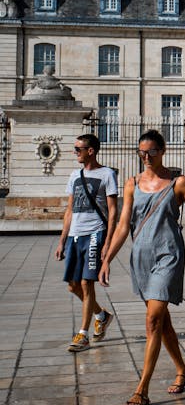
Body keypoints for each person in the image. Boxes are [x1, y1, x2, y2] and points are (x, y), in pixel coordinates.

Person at [99, 129, 185, 405]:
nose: (145, 157)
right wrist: (107, 259)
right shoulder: (131, 184)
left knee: (152, 321)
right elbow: (124, 225)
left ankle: (142, 390)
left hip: (168, 255)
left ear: (163, 151)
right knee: (162, 322)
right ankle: (182, 370)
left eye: (151, 151)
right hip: (141, 257)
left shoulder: (179, 183)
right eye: (141, 152)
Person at [56, 134, 117, 353]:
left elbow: (112, 211)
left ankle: (83, 335)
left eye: (78, 149)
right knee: (72, 285)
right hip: (74, 235)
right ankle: (101, 315)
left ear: (90, 151)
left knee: (85, 283)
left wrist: (108, 243)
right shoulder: (74, 176)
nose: (75, 152)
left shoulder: (107, 174)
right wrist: (62, 240)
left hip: (94, 233)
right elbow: (70, 209)